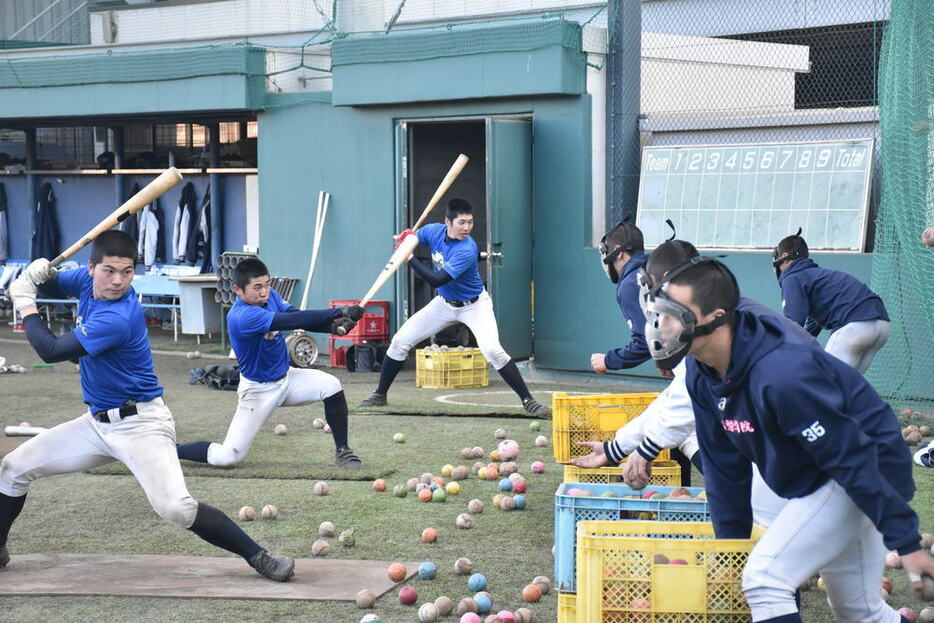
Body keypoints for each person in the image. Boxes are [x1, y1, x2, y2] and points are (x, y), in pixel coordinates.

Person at [644, 255, 933, 623]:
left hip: (857, 468)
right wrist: (730, 550)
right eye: (660, 312)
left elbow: (851, 457)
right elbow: (723, 467)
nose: (659, 325)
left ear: (716, 318)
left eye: (673, 314)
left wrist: (907, 544)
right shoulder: (702, 373)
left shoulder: (781, 373)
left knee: (765, 580)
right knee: (860, 612)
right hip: (823, 470)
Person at [0, 231, 293, 581]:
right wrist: (38, 275)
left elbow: (50, 350)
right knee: (14, 468)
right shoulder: (83, 280)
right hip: (96, 425)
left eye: (126, 272)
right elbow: (49, 284)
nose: (118, 281)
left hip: (141, 425)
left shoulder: (119, 316)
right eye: (109, 271)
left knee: (176, 509)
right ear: (91, 268)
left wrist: (25, 302)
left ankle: (260, 558)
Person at [359, 198, 550, 417]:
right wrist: (407, 238)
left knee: (493, 351)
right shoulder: (432, 231)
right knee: (400, 341)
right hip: (444, 304)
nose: (467, 227)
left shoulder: (467, 249)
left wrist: (408, 256)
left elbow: (436, 279)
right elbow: (414, 236)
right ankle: (379, 394)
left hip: (474, 305)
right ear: (447, 222)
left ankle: (528, 400)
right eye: (461, 222)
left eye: (470, 222)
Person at [177, 258, 363, 469]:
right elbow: (292, 321)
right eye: (257, 287)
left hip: (287, 378)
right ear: (238, 290)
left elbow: (293, 314)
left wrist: (332, 327)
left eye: (266, 284)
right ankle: (173, 451)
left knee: (331, 386)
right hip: (257, 391)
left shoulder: (269, 295)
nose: (264, 291)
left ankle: (343, 452)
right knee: (228, 456)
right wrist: (341, 312)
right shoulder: (242, 316)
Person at [772, 229, 889, 373]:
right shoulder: (815, 275)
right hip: (881, 326)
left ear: (784, 256)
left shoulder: (792, 277)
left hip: (855, 324)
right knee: (848, 388)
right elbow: (812, 324)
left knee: (824, 383)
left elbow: (794, 322)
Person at [589, 221, 650, 374]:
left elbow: (646, 342)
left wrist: (608, 360)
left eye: (607, 252)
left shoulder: (630, 284)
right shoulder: (654, 267)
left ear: (618, 251)